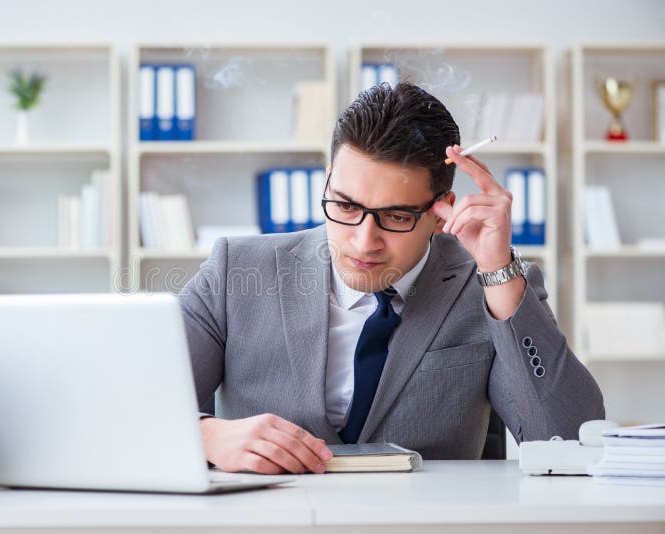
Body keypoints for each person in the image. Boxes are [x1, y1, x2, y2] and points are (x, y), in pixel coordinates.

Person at [178, 82, 604, 475]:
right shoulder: (237, 271)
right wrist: (205, 435)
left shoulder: (491, 286)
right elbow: (123, 408)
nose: (364, 243)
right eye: (345, 207)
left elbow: (572, 443)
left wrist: (498, 273)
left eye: (397, 216)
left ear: (442, 211)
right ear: (327, 183)